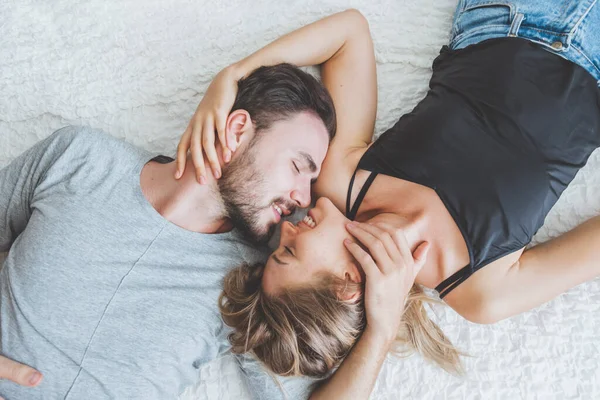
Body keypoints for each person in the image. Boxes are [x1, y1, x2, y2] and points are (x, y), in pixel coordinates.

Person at [178, 2, 600, 397]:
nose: (287, 226)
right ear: (346, 286)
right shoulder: (480, 288)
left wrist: (234, 75)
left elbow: (349, 32)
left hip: (511, 16)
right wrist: (380, 329)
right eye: (288, 252)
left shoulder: (343, 182)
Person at [0, 64, 346, 399]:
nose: (303, 197)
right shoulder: (81, 157)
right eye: (299, 166)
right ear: (237, 130)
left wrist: (381, 324)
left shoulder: (252, 281)